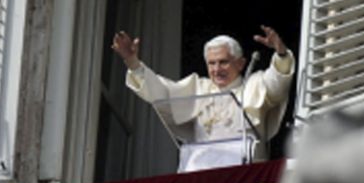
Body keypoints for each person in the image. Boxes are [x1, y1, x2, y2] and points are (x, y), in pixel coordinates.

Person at [111, 25, 295, 171]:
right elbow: (160, 92)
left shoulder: (254, 84)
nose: (217, 69)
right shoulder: (199, 88)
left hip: (245, 176)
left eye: (223, 62)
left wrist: (281, 53)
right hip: (200, 173)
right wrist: (132, 62)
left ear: (241, 63)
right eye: (211, 63)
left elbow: (277, 83)